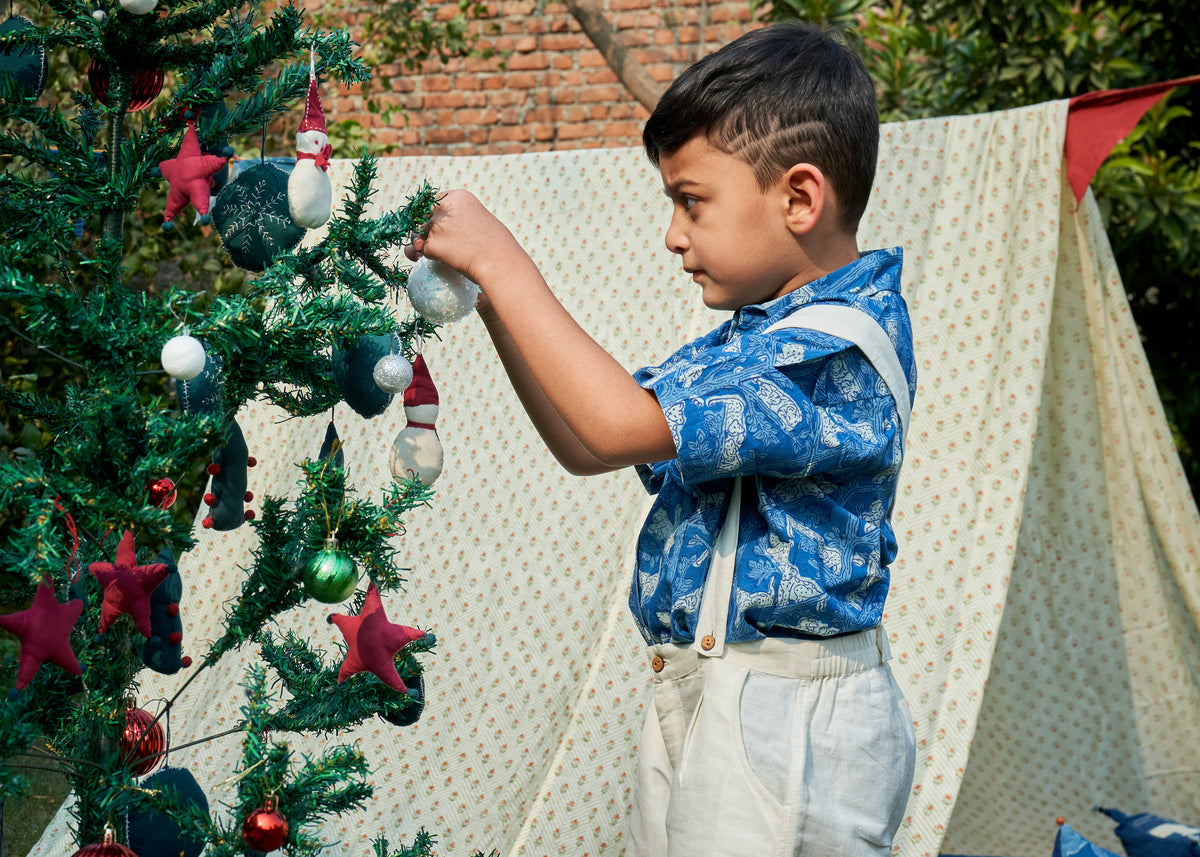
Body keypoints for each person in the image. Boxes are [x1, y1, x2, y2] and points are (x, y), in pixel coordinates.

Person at [405, 21, 917, 857]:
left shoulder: (831, 350)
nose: (673, 235)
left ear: (798, 198)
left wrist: (504, 262)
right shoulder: (750, 342)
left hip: (785, 721)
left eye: (691, 201)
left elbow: (615, 424)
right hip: (707, 694)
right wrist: (494, 305)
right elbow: (589, 439)